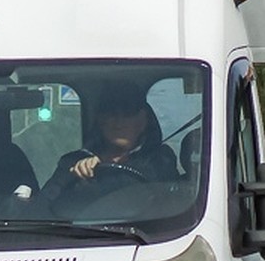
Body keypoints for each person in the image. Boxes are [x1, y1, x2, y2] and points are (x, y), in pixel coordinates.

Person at [43, 83, 179, 199]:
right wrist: (74, 179)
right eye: (111, 114)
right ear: (100, 121)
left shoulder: (160, 159)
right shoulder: (72, 162)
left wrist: (96, 178)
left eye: (128, 114)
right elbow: (41, 207)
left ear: (142, 121)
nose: (119, 123)